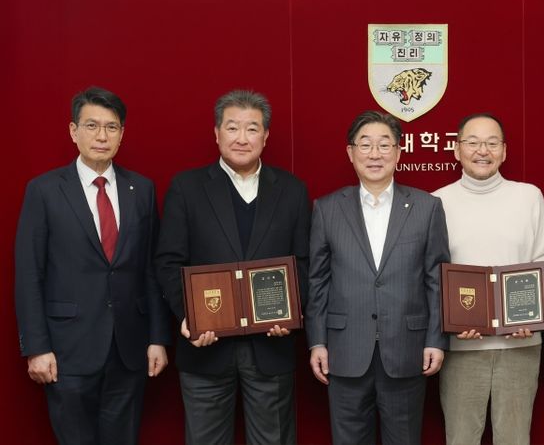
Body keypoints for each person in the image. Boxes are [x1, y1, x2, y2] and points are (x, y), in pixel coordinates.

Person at [14, 86, 171, 444]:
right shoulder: (44, 191)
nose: (102, 136)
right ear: (73, 131)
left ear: (122, 134)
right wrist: (37, 348)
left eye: (111, 127)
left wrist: (158, 339)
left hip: (129, 350)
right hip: (66, 351)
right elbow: (29, 274)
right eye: (91, 126)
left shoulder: (142, 189)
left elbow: (150, 268)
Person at [154, 89, 310, 445]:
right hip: (205, 350)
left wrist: (290, 313)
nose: (242, 138)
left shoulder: (292, 190)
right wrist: (189, 316)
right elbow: (168, 261)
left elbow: (304, 262)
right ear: (216, 133)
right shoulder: (186, 188)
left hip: (271, 348)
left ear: (266, 136)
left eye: (252, 129)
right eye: (233, 127)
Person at [305, 110, 450, 445]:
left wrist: (435, 340)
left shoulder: (427, 207)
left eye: (384, 145)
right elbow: (318, 281)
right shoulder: (327, 209)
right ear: (350, 152)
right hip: (344, 351)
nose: (375, 154)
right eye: (365, 145)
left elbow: (436, 279)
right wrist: (317, 341)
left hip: (407, 350)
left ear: (399, 153)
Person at [432, 113, 544, 445]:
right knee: (460, 439)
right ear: (457, 150)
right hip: (461, 347)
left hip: (520, 343)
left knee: (515, 439)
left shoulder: (528, 196)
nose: (481, 150)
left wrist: (531, 314)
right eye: (472, 142)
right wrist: (452, 320)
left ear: (504, 151)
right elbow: (431, 273)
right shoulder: (436, 202)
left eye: (491, 143)